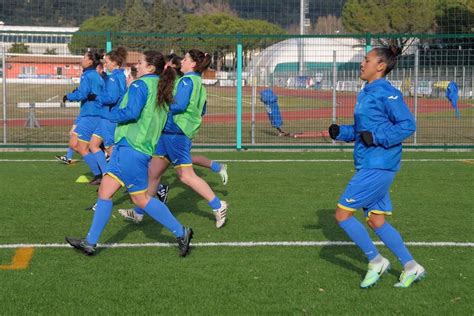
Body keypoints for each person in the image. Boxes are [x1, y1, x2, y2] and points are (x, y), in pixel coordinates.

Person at [66, 50, 193, 257]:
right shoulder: (160, 87)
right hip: (128, 147)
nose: (137, 65)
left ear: (150, 67)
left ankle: (181, 232)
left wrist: (110, 114)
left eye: (141, 62)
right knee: (105, 193)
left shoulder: (140, 85)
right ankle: (90, 242)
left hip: (132, 149)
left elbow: (131, 112)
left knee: (141, 200)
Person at [328, 45, 425, 289]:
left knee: (342, 214)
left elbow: (407, 125)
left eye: (366, 59)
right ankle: (411, 266)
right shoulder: (366, 92)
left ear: (380, 66)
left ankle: (376, 261)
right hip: (368, 163)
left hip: (379, 165)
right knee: (376, 222)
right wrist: (343, 132)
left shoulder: (387, 93)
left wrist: (378, 137)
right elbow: (364, 132)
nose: (362, 63)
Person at [118, 49, 228, 228]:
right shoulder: (198, 82)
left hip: (175, 133)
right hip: (169, 133)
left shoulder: (186, 81)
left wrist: (160, 104)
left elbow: (180, 104)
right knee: (153, 174)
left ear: (193, 64)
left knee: (186, 176)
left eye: (185, 59)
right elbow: (202, 110)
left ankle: (218, 205)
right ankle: (138, 213)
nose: (182, 61)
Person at [63, 49, 105, 183]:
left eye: (84, 58)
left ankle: (102, 174)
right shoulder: (95, 75)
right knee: (78, 145)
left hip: (90, 115)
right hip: (94, 114)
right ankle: (101, 173)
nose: (82, 60)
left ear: (90, 61)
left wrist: (68, 96)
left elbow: (82, 94)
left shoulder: (87, 75)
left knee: (81, 147)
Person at [87, 47, 128, 184]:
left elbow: (111, 98)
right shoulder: (119, 76)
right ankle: (105, 175)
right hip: (106, 116)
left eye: (107, 62)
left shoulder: (113, 78)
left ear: (114, 62)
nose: (106, 65)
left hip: (109, 117)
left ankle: (131, 178)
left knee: (112, 150)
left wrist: (95, 97)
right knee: (93, 144)